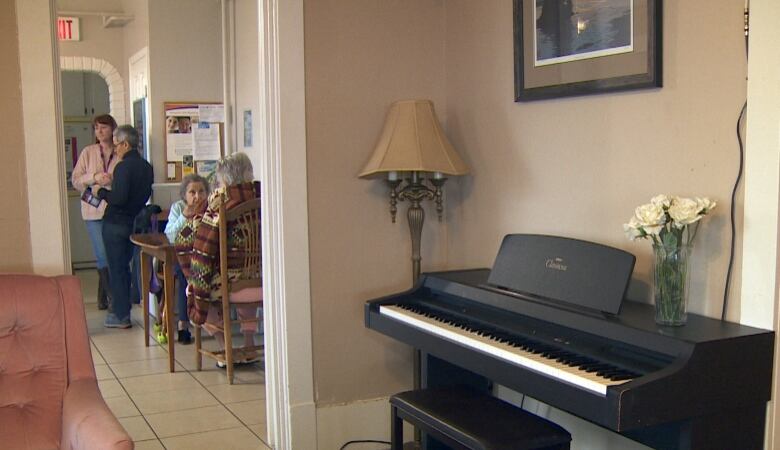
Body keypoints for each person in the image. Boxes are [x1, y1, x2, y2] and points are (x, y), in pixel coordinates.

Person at [175, 152, 260, 365]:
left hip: (230, 285)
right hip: (263, 280)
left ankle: (225, 346)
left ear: (224, 179)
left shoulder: (219, 204)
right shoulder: (264, 198)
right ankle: (250, 344)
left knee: (196, 287)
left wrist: (191, 217)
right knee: (245, 272)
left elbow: (186, 239)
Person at [96, 125, 154, 328]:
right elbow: (144, 194)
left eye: (117, 145)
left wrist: (102, 193)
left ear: (125, 144)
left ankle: (120, 315)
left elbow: (118, 198)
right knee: (127, 267)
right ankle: (125, 310)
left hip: (115, 223)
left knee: (117, 269)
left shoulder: (122, 167)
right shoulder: (147, 167)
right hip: (134, 222)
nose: (115, 149)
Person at [71, 114, 119, 311]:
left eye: (104, 127)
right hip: (93, 211)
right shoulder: (88, 152)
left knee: (111, 254)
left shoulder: (120, 151)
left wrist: (111, 181)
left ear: (112, 129)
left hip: (114, 210)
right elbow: (75, 180)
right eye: (96, 128)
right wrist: (94, 177)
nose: (99, 131)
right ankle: (113, 299)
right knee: (102, 254)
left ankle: (102, 298)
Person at [164, 174, 210, 344]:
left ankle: (207, 318)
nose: (197, 196)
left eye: (202, 191)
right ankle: (183, 323)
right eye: (192, 192)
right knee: (185, 274)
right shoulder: (178, 208)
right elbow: (170, 236)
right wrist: (185, 216)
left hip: (206, 256)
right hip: (184, 257)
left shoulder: (210, 209)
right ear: (185, 195)